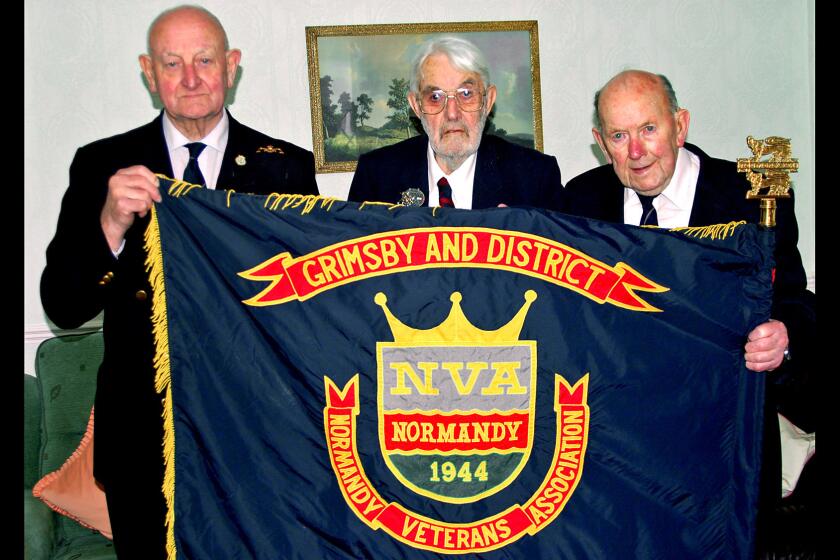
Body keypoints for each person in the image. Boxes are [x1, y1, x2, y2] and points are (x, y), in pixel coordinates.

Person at [40, 5, 318, 557]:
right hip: (143, 440)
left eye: (204, 60)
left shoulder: (284, 168)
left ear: (231, 66)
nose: (190, 78)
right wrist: (110, 225)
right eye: (172, 63)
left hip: (255, 431)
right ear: (149, 72)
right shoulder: (102, 165)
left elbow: (308, 312)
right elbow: (63, 305)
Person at [564, 69, 815, 556]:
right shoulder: (579, 200)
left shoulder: (752, 194)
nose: (636, 151)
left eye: (649, 129)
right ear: (600, 141)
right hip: (618, 453)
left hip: (723, 447)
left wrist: (783, 334)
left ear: (680, 126)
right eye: (619, 135)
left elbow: (798, 299)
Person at [348, 36, 563, 210]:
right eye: (435, 97)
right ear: (416, 106)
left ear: (487, 102)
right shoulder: (376, 177)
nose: (452, 113)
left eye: (466, 93)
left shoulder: (536, 178)